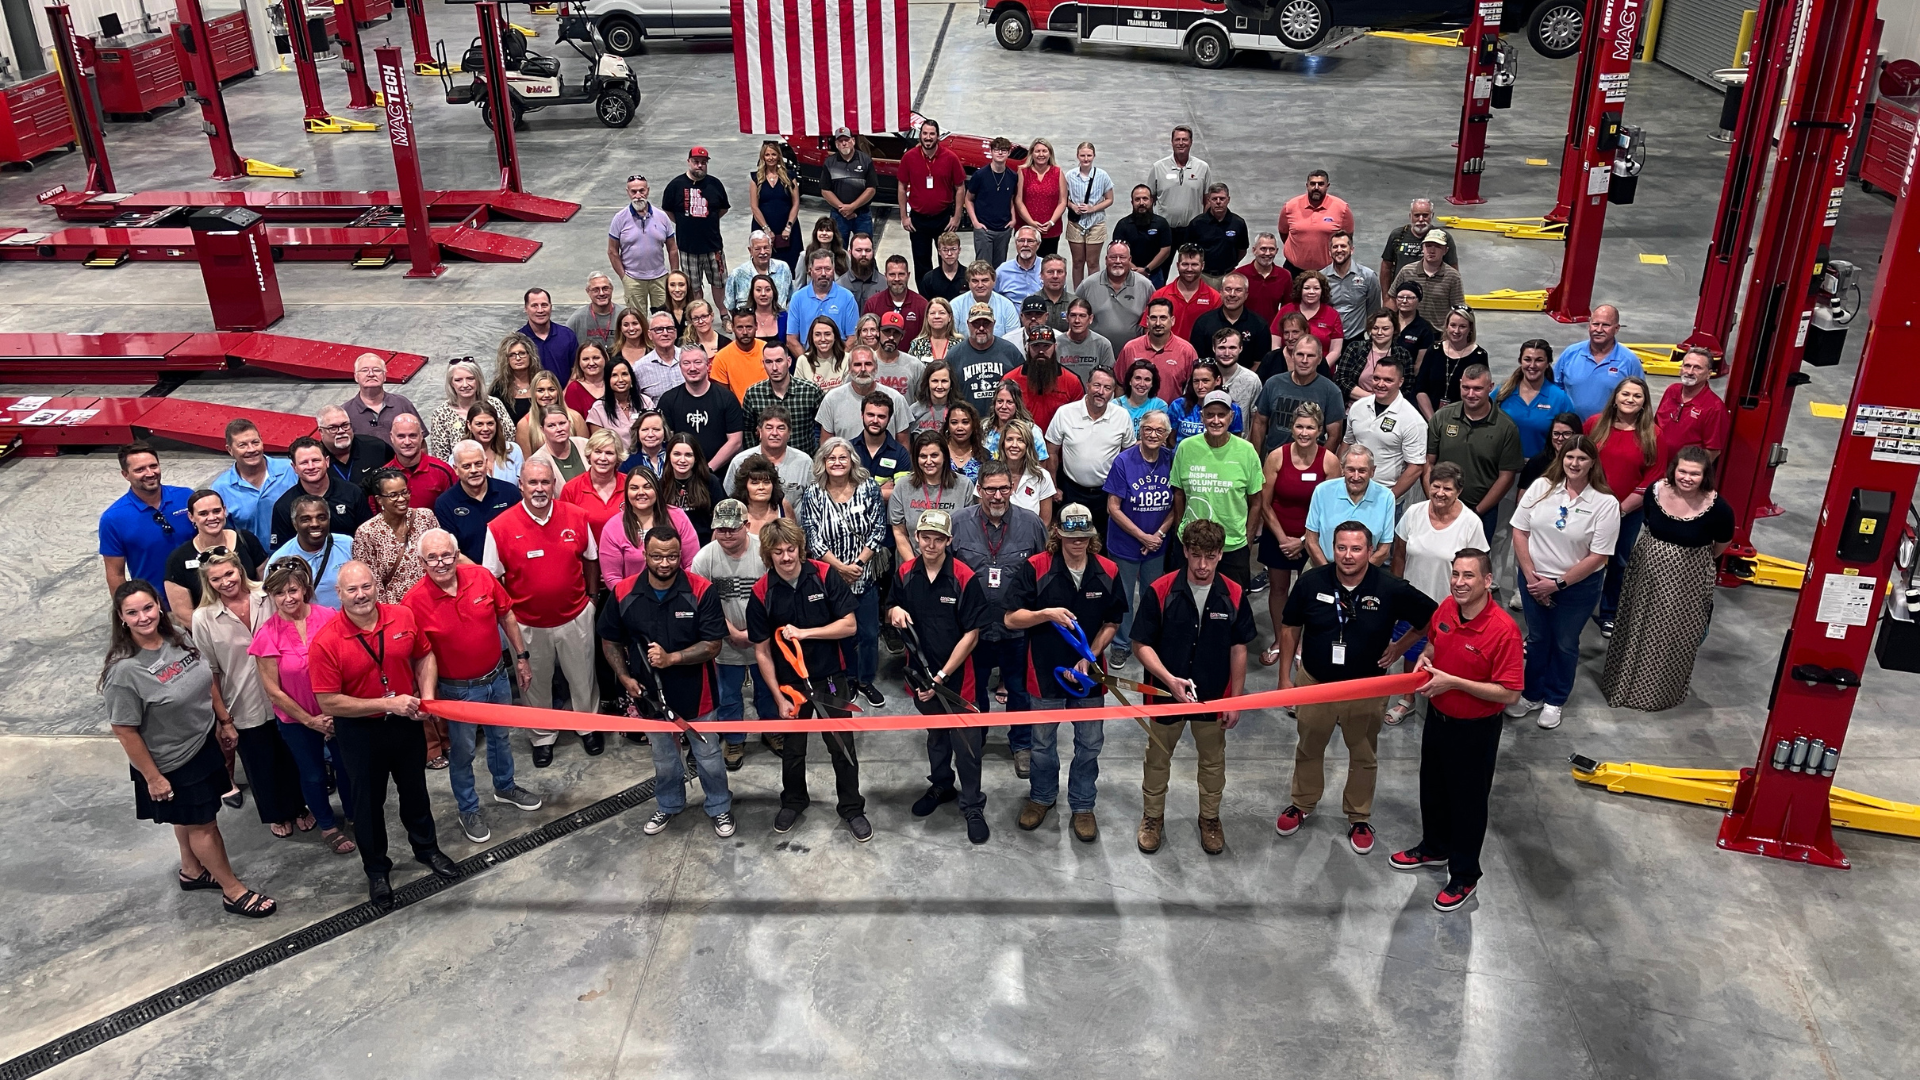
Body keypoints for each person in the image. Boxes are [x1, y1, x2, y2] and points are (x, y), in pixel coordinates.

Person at [103, 580, 275, 917]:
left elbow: (205, 679)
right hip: (171, 762)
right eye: (132, 613)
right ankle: (232, 890)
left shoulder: (177, 638)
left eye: (148, 607)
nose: (143, 617)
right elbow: (124, 730)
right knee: (204, 825)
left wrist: (223, 721)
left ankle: (192, 870)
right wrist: (153, 778)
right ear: (121, 618)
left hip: (201, 743)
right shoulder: (124, 671)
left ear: (158, 605)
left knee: (189, 817)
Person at [1273, 521, 1436, 855]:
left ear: (1371, 550)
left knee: (1363, 754)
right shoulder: (1311, 582)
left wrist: (1400, 646)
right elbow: (1290, 626)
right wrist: (1285, 678)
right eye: (1342, 548)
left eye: (1356, 548)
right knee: (1308, 747)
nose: (1348, 556)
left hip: (1366, 689)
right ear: (1333, 549)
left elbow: (1431, 617)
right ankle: (1302, 803)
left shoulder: (1390, 587)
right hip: (1315, 684)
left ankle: (1358, 816)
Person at [310, 561, 459, 904]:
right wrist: (385, 703)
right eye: (352, 590)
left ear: (377, 586)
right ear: (339, 594)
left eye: (366, 587)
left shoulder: (402, 616)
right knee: (367, 805)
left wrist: (429, 698)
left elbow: (424, 656)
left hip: (405, 724)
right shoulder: (327, 641)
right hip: (360, 733)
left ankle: (427, 849)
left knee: (416, 792)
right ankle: (377, 870)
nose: (360, 595)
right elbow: (329, 702)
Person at [1389, 547, 1523, 913]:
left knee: (1468, 803)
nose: (1460, 583)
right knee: (1431, 787)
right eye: (1455, 574)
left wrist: (1456, 683)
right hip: (1438, 717)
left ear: (1488, 581)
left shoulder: (1504, 632)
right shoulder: (1448, 607)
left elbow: (1510, 694)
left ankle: (1464, 875)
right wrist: (1427, 657)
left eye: (1468, 576)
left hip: (1475, 730)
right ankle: (1434, 848)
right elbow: (1434, 639)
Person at [406, 530, 541, 844]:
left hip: (496, 678)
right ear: (421, 561)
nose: (441, 563)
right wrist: (422, 695)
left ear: (456, 554)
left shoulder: (481, 577)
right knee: (463, 752)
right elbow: (416, 655)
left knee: (501, 738)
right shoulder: (413, 602)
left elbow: (506, 614)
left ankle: (505, 787)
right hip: (457, 691)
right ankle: (467, 807)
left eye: (446, 555)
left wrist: (521, 657)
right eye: (432, 558)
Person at [600, 526, 735, 837]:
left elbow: (713, 644)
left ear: (681, 555)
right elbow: (610, 640)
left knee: (710, 756)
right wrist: (624, 677)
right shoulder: (623, 593)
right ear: (644, 555)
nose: (665, 563)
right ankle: (669, 803)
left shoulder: (701, 590)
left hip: (697, 694)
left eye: (672, 556)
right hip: (648, 696)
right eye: (657, 556)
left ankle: (719, 806)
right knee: (663, 758)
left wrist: (672, 658)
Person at [1131, 518, 1255, 856]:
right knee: (1157, 760)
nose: (1202, 565)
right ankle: (1152, 818)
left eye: (1210, 556)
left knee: (1213, 762)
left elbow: (1239, 647)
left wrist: (1235, 700)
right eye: (1196, 555)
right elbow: (1141, 644)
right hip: (1164, 695)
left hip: (1213, 695)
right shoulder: (1161, 590)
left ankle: (1210, 819)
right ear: (1185, 551)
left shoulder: (1232, 592)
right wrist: (1168, 680)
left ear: (1220, 554)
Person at [1004, 504, 1127, 841]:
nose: (1077, 543)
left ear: (1092, 537)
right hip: (1044, 673)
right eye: (1070, 537)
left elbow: (1113, 621)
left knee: (1089, 744)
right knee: (1042, 745)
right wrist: (1044, 613)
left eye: (1083, 537)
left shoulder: (1109, 571)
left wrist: (1091, 657)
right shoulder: (1036, 568)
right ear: (1057, 534)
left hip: (1089, 677)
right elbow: (1011, 618)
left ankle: (1083, 804)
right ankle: (1041, 797)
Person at [748, 517, 868, 839]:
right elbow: (761, 651)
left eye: (791, 549)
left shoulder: (825, 575)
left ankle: (852, 807)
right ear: (768, 556)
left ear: (801, 549)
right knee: (793, 749)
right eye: (778, 552)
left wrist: (805, 633)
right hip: (790, 686)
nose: (786, 558)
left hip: (831, 679)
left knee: (842, 747)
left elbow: (850, 625)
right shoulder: (761, 592)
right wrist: (778, 696)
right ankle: (794, 801)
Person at [483, 458, 603, 766]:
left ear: (554, 485)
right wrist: (508, 618)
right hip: (526, 623)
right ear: (520, 485)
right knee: (533, 683)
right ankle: (542, 736)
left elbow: (591, 558)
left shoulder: (577, 516)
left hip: (575, 615)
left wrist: (591, 598)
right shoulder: (499, 527)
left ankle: (588, 726)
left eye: (545, 482)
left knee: (583, 677)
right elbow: (492, 579)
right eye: (532, 483)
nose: (539, 489)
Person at [1601, 446, 1735, 710]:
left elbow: (1721, 543)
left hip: (1689, 578)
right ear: (1674, 469)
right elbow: (1650, 521)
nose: (1687, 477)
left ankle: (1655, 695)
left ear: (1705, 476)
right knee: (1635, 625)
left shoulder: (1719, 508)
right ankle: (1622, 685)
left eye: (1694, 474)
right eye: (1682, 471)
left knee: (1671, 634)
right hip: (1646, 570)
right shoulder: (1654, 491)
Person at [888, 508, 992, 842]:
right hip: (921, 676)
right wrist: (894, 611)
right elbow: (890, 605)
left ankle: (972, 803)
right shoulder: (905, 572)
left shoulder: (963, 577)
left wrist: (943, 677)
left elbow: (972, 634)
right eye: (925, 537)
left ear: (949, 540)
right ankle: (941, 785)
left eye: (938, 539)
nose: (930, 544)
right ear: (916, 538)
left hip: (959, 679)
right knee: (935, 736)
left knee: (967, 745)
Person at [1507, 435, 1620, 729]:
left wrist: (1557, 585)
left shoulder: (1605, 503)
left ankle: (1554, 699)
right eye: (1570, 457)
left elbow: (1599, 555)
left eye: (1582, 458)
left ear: (1592, 462)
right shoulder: (1543, 488)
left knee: (1565, 642)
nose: (1574, 463)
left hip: (1576, 588)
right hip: (1533, 580)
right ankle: (1532, 695)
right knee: (1537, 638)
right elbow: (1519, 530)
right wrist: (1531, 575)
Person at [193, 550, 305, 839]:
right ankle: (276, 813)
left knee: (293, 755)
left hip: (287, 694)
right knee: (260, 763)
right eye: (216, 579)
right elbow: (210, 673)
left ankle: (301, 806)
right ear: (208, 582)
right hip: (243, 702)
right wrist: (224, 719)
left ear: (240, 569)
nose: (225, 582)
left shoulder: (267, 595)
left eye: (229, 573)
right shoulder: (203, 618)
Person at [948, 461, 1050, 775]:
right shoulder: (958, 522)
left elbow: (1043, 572)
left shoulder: (1031, 523)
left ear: (1012, 489)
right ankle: (975, 738)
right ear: (978, 489)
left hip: (1016, 629)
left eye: (1004, 488)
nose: (997, 496)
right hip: (974, 629)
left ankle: (1021, 744)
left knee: (1019, 689)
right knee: (974, 688)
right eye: (990, 489)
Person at [251, 558, 356, 856]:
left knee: (347, 768)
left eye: (293, 590)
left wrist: (337, 710)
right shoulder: (267, 634)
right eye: (280, 593)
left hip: (337, 713)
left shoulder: (329, 617)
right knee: (312, 774)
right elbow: (273, 689)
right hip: (298, 720)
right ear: (271, 597)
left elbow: (346, 664)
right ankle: (327, 825)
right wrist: (311, 721)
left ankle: (354, 815)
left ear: (304, 589)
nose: (288, 598)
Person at [1387, 461, 1489, 723]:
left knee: (1445, 655)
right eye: (1435, 486)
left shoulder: (1471, 523)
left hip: (1450, 604)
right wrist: (1396, 593)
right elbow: (1398, 556)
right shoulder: (1414, 513)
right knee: (1410, 651)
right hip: (1413, 599)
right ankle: (1407, 698)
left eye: (1447, 488)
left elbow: (1478, 569)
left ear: (1459, 491)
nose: (1440, 493)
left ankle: (1444, 698)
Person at [795, 438, 891, 707]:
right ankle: (847, 677)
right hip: (830, 578)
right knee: (840, 632)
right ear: (823, 463)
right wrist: (838, 568)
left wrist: (858, 565)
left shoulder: (869, 487)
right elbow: (812, 536)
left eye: (842, 458)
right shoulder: (813, 493)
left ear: (852, 461)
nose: (837, 462)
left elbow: (878, 530)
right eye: (831, 458)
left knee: (869, 633)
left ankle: (865, 680)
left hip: (865, 574)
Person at [691, 499, 778, 770]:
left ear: (746, 525)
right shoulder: (704, 558)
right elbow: (700, 603)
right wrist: (730, 632)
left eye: (732, 528)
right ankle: (734, 737)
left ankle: (772, 729)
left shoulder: (765, 552)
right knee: (728, 694)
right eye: (721, 529)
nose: (727, 534)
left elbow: (776, 595)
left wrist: (755, 632)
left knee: (767, 688)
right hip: (724, 641)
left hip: (762, 637)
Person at [1257, 404, 1340, 665]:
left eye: (1310, 427)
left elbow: (1329, 510)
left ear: (1320, 430)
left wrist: (1304, 540)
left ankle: (1302, 642)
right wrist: (1282, 538)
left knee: (1309, 591)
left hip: (1312, 538)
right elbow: (1265, 503)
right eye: (1299, 426)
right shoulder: (1276, 456)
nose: (1304, 433)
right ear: (1292, 428)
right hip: (1277, 535)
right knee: (1279, 589)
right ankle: (1282, 640)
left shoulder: (1329, 461)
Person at [1101, 408, 1177, 667]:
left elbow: (1176, 506)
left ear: (1167, 435)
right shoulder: (1124, 461)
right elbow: (1113, 507)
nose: (1153, 434)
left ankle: (1148, 641)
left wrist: (1158, 535)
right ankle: (1121, 644)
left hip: (1157, 543)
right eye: (1148, 429)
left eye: (1159, 430)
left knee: (1152, 594)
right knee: (1123, 597)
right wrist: (1142, 536)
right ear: (1139, 431)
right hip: (1125, 543)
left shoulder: (1171, 459)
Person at [1586, 376, 1660, 635]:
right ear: (1615, 398)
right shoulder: (1594, 424)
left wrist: (1619, 510)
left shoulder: (1653, 435)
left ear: (1644, 403)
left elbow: (1652, 479)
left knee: (1618, 560)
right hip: (1587, 505)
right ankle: (1577, 604)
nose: (1630, 399)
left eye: (1637, 396)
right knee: (1580, 555)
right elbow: (1577, 459)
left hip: (1627, 513)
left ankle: (1609, 612)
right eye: (1625, 394)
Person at [1169, 390, 1265, 586]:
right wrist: (1180, 529)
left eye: (1221, 415)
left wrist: (1247, 540)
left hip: (1232, 546)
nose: (1216, 420)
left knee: (1230, 607)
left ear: (1231, 417)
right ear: (1202, 416)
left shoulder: (1247, 451)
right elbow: (1178, 493)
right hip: (1191, 545)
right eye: (1210, 414)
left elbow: (1256, 501)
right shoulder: (1186, 448)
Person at [1426, 364, 1523, 541]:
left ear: (1490, 387)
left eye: (1477, 389)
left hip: (1481, 513)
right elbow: (1428, 463)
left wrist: (1476, 511)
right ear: (1460, 384)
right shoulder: (1442, 417)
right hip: (1439, 507)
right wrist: (1433, 500)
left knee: (1473, 565)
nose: (1471, 394)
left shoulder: (1506, 428)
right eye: (1466, 387)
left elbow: (1506, 476)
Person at [1047, 367, 1136, 542]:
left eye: (1107, 388)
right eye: (1097, 385)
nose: (1101, 392)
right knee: (1072, 540)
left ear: (1113, 391)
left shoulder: (1122, 416)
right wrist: (1053, 486)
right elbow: (1051, 452)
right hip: (1071, 490)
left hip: (1106, 493)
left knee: (1102, 542)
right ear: (1088, 385)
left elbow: (1128, 455)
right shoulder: (1065, 413)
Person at [101, 443, 194, 606]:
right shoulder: (114, 519)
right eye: (140, 469)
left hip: (202, 597)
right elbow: (115, 574)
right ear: (125, 474)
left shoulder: (186, 497)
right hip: (157, 607)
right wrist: (127, 611)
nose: (150, 473)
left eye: (153, 466)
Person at [1342, 355, 1428, 512]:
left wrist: (1389, 497)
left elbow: (1415, 467)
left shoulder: (1413, 420)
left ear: (1400, 382)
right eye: (1376, 378)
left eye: (1388, 380)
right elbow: (1347, 443)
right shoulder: (1357, 407)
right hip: (1350, 493)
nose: (1380, 384)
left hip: (1384, 499)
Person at [165, 489, 269, 615]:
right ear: (191, 517)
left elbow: (266, 585)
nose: (212, 518)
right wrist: (213, 631)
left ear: (224, 511)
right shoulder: (179, 559)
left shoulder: (247, 540)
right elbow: (183, 612)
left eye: (216, 511)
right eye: (203, 514)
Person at [352, 467, 438, 612]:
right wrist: (389, 616)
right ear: (379, 500)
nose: (401, 499)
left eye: (404, 492)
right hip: (397, 609)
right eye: (393, 495)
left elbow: (442, 553)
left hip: (434, 602)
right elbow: (370, 582)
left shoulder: (425, 517)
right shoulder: (367, 533)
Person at [653, 346, 746, 476]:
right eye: (686, 363)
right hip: (680, 474)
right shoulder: (668, 400)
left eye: (697, 362)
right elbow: (667, 441)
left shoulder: (727, 398)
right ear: (680, 367)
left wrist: (708, 469)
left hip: (719, 474)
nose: (692, 368)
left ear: (708, 366)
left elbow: (735, 441)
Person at [1304, 445, 1397, 568]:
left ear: (1372, 471)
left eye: (1362, 471)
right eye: (1351, 470)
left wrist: (1358, 575)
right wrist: (1329, 575)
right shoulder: (1322, 491)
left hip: (1366, 571)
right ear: (1342, 469)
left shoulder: (1386, 497)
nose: (1356, 477)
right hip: (1322, 566)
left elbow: (1384, 550)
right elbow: (1311, 541)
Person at [206, 420, 295, 547]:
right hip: (253, 562)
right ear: (230, 450)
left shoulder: (291, 470)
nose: (251, 449)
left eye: (255, 442)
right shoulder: (221, 488)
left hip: (297, 557)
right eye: (242, 445)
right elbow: (223, 534)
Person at [661, 147, 730, 312]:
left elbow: (723, 208)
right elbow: (668, 209)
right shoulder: (675, 185)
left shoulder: (715, 184)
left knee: (719, 282)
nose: (700, 166)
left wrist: (708, 221)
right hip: (688, 248)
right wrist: (684, 222)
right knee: (694, 286)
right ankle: (700, 314)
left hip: (713, 246)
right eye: (696, 162)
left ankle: (724, 314)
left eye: (703, 163)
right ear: (689, 162)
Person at [899, 117, 967, 282]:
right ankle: (925, 300)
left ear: (938, 136)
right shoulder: (909, 157)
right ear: (920, 135)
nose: (928, 137)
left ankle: (946, 298)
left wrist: (957, 217)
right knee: (921, 262)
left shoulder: (950, 158)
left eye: (932, 134)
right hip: (918, 220)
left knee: (947, 259)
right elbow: (901, 187)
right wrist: (904, 217)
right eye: (925, 133)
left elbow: (960, 188)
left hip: (943, 219)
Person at [1253, 335, 1346, 454]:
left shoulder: (1332, 391)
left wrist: (1319, 463)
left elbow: (1335, 436)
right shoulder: (1273, 383)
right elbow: (1259, 423)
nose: (1304, 360)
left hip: (1311, 462)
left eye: (1310, 356)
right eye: (1300, 354)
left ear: (1319, 359)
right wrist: (1255, 460)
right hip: (1274, 459)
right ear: (1292, 356)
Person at [890, 430, 975, 559]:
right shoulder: (902, 486)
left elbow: (967, 532)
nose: (929, 461)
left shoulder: (964, 485)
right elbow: (899, 532)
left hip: (952, 565)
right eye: (923, 456)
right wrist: (914, 567)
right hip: (912, 564)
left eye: (934, 455)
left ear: (945, 456)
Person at [432, 440, 519, 564]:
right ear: (456, 469)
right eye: (466, 466)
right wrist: (484, 576)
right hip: (471, 575)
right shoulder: (445, 504)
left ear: (486, 464)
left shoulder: (510, 493)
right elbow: (452, 551)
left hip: (512, 570)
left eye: (478, 464)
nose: (474, 470)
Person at [1554, 305, 1642, 419]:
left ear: (1616, 329)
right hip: (1572, 431)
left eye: (1606, 325)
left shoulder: (1629, 361)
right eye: (1595, 324)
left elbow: (1639, 397)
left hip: (1609, 431)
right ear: (1589, 325)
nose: (1599, 330)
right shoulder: (1570, 353)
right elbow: (1555, 389)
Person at [1496, 339, 1579, 459]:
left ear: (1548, 363)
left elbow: (1572, 439)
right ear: (1520, 361)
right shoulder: (1502, 392)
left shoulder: (1560, 399)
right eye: (1527, 359)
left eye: (1539, 360)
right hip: (1503, 467)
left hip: (1542, 469)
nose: (1532, 365)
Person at [608, 173, 677, 314]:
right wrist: (624, 277)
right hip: (633, 279)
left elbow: (673, 249)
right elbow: (612, 251)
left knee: (665, 318)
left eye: (642, 190)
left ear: (648, 190)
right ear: (628, 192)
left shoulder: (662, 217)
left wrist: (674, 275)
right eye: (633, 191)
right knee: (638, 320)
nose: (638, 195)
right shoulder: (619, 219)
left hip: (660, 278)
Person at [741, 342, 826, 456]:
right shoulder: (753, 394)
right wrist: (756, 459)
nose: (774, 368)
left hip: (806, 463)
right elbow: (747, 431)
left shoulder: (810, 391)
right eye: (769, 362)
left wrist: (819, 455)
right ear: (763, 364)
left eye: (779, 361)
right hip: (766, 465)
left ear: (789, 361)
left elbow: (827, 425)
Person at [269, 495, 354, 609]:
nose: (315, 524)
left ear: (329, 519)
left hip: (347, 622)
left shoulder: (347, 544)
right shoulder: (279, 559)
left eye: (321, 517)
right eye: (306, 519)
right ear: (295, 524)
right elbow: (273, 603)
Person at [1655, 346, 1730, 470]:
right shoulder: (1671, 391)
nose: (1690, 372)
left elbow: (1712, 451)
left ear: (1709, 374)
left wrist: (1686, 474)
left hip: (1681, 475)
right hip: (1656, 466)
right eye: (1687, 366)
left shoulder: (1715, 408)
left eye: (1697, 368)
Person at [428, 359, 513, 463]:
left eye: (470, 379)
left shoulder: (495, 404)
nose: (465, 385)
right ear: (451, 383)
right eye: (458, 380)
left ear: (478, 380)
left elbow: (509, 437)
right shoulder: (440, 414)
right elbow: (440, 457)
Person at [819, 348, 909, 443]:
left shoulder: (896, 399)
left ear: (876, 367)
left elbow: (903, 443)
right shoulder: (832, 399)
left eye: (868, 364)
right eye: (857, 364)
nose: (863, 369)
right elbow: (826, 444)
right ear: (849, 368)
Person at [1118, 296, 1199, 402]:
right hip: (1134, 416)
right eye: (1153, 318)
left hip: (1171, 416)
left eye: (1163, 318)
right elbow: (1119, 384)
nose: (1158, 323)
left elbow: (1194, 388)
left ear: (1172, 320)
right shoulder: (1130, 348)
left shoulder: (1187, 351)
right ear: (1147, 321)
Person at [952, 301, 1024, 418]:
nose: (981, 328)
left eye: (986, 323)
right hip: (968, 425)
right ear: (968, 324)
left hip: (1004, 424)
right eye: (976, 324)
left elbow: (1022, 389)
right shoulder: (954, 355)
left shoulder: (1010, 352)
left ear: (994, 324)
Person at [724, 406, 816, 496]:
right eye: (769, 428)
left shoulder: (805, 462)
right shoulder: (739, 461)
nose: (775, 433)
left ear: (789, 433)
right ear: (759, 431)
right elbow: (728, 499)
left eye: (781, 428)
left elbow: (815, 500)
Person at [1276, 168, 1354, 275]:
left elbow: (1347, 239)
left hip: (1329, 271)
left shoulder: (1342, 209)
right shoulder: (1290, 207)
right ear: (1307, 185)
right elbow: (1284, 233)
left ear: (1328, 186)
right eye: (1312, 184)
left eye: (1321, 184)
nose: (1316, 188)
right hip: (1294, 270)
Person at [1416, 306, 1488, 419]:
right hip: (1430, 416)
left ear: (1470, 329)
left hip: (1462, 419)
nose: (1456, 331)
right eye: (1453, 325)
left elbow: (1478, 393)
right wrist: (1433, 421)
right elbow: (1420, 389)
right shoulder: (1434, 350)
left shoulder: (1479, 356)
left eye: (1462, 326)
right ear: (1446, 326)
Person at [1190, 273, 1272, 370]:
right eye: (1228, 289)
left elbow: (1260, 362)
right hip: (1210, 382)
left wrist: (1240, 381)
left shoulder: (1259, 325)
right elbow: (1198, 360)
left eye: (1238, 290)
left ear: (1246, 295)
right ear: (1221, 292)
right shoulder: (1203, 323)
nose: (1232, 294)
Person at [787, 251, 861, 356]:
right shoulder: (797, 298)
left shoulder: (847, 297)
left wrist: (839, 363)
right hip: (808, 357)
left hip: (839, 359)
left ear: (833, 270)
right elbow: (791, 340)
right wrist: (807, 364)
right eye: (818, 269)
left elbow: (853, 338)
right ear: (810, 271)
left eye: (827, 269)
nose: (823, 273)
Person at [1146, 124, 1209, 248]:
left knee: (1191, 266)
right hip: (1165, 229)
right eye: (1177, 139)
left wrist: (1203, 224)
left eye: (1184, 139)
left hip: (1192, 230)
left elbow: (1207, 200)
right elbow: (1149, 198)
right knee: (1160, 266)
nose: (1181, 143)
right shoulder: (1158, 167)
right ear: (1172, 142)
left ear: (1191, 142)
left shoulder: (1203, 168)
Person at [1144, 245, 1221, 344]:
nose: (1189, 269)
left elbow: (1219, 332)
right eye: (1185, 264)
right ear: (1177, 265)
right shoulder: (1160, 295)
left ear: (1202, 266)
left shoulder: (1214, 298)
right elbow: (1148, 328)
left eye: (1194, 264)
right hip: (1167, 355)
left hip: (1200, 356)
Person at [1331, 310, 1411, 404]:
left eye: (1385, 329)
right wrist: (1372, 398)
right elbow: (1342, 381)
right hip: (1354, 407)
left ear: (1395, 330)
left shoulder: (1403, 354)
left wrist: (1384, 400)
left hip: (1389, 408)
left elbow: (1407, 387)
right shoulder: (1355, 348)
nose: (1379, 332)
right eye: (1375, 328)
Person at [661, 433, 728, 543]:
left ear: (696, 458)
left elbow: (723, 514)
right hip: (671, 545)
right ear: (669, 456)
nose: (682, 460)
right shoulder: (661, 484)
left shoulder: (710, 481)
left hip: (705, 544)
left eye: (688, 455)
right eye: (677, 454)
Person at [1063, 141, 1115, 284]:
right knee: (1078, 262)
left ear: (1094, 156)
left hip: (1095, 223)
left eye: (1089, 155)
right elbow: (1063, 198)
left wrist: (1092, 208)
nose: (1086, 159)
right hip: (1076, 224)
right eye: (1083, 155)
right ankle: (1078, 294)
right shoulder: (1070, 176)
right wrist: (1073, 206)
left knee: (1092, 263)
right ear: (1077, 156)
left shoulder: (1102, 175)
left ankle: (1093, 292)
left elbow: (1109, 199)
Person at [1390, 233, 1466, 330]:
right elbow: (1392, 298)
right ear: (1423, 248)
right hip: (1408, 330)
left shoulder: (1453, 277)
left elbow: (1458, 308)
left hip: (1438, 334)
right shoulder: (1406, 271)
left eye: (1437, 247)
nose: (1432, 250)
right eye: (1428, 246)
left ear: (1445, 250)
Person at [965, 136, 1022, 265]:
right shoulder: (980, 175)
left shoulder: (1012, 176)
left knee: (1000, 268)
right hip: (983, 229)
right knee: (983, 268)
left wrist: (1013, 220)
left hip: (1004, 229)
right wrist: (975, 222)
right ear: (991, 152)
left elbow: (1011, 199)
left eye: (1003, 150)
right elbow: (968, 199)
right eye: (996, 150)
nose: (1000, 153)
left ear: (1008, 153)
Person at [383, 414, 457, 512]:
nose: (407, 442)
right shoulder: (383, 476)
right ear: (392, 438)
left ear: (421, 436)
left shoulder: (443, 471)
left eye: (412, 435)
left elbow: (456, 507)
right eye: (401, 436)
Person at [343, 352, 422, 443]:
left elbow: (420, 441)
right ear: (356, 377)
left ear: (384, 376)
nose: (371, 374)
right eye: (364, 370)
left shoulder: (402, 404)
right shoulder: (345, 412)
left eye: (376, 370)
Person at [1379, 197, 1458, 285]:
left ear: (1432, 215)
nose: (1421, 219)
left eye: (1425, 215)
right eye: (1417, 215)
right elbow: (1386, 267)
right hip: (1403, 295)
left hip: (1432, 294)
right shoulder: (1397, 235)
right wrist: (1386, 297)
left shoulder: (1443, 238)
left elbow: (1453, 271)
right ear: (1410, 216)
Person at [1322, 230, 1381, 344]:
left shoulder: (1368, 276)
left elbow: (1374, 311)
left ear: (1352, 250)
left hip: (1357, 339)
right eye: (1335, 247)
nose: (1339, 250)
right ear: (1330, 252)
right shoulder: (1321, 278)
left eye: (1343, 246)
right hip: (1329, 338)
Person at [752, 140, 804, 267]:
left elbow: (796, 203)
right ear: (763, 157)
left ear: (779, 156)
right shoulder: (756, 178)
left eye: (774, 154)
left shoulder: (789, 176)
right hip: (764, 227)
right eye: (767, 155)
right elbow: (754, 207)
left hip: (787, 229)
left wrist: (789, 227)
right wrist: (766, 230)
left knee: (792, 265)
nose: (771, 158)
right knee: (764, 265)